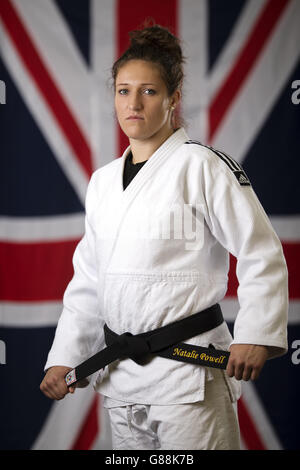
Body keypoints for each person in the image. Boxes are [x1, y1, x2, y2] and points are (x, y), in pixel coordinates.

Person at [40, 24, 288, 450]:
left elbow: (259, 248)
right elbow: (89, 281)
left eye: (149, 91)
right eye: (123, 90)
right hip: (122, 376)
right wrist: (65, 355)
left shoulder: (203, 167)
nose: (133, 103)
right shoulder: (102, 182)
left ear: (173, 100)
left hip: (189, 371)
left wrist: (255, 333)